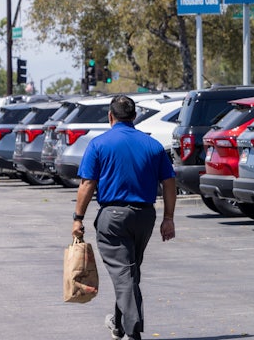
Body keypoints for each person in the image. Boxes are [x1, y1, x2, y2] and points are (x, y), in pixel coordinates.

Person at [71, 95, 176, 340]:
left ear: (110, 116)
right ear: (134, 117)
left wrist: (78, 218)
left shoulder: (99, 144)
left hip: (113, 217)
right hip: (144, 216)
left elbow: (87, 184)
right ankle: (118, 324)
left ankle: (132, 328)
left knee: (124, 274)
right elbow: (170, 183)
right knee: (129, 272)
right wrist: (168, 218)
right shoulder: (153, 145)